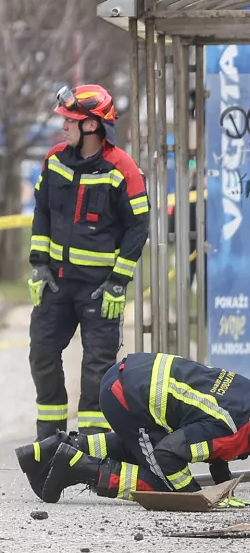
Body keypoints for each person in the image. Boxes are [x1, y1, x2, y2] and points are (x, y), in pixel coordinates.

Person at [15, 352, 250, 505]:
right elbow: (170, 455)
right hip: (127, 396)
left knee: (137, 450)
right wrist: (195, 497)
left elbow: (216, 446)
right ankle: (75, 468)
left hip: (131, 377)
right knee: (161, 481)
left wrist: (222, 490)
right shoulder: (235, 430)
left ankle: (43, 451)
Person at [27, 84, 150, 440]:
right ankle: (49, 440)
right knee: (42, 355)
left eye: (71, 120)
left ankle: (89, 446)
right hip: (56, 283)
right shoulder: (54, 160)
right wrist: (39, 263)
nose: (63, 125)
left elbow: (137, 228)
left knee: (97, 368)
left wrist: (118, 281)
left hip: (100, 290)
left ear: (92, 126)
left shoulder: (123, 169)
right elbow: (42, 214)